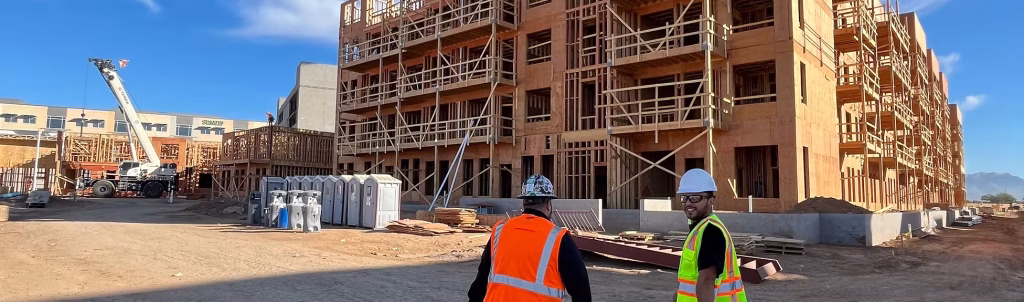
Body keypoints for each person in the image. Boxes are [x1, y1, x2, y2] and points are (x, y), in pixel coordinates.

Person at [468, 174, 592, 302]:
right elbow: (581, 292)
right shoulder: (559, 239)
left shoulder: (500, 230)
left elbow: (481, 282)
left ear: (524, 202)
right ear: (549, 204)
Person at [675, 169, 747, 302]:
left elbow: (707, 279)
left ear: (711, 201)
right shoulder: (699, 230)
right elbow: (689, 280)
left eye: (696, 198)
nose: (688, 203)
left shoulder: (711, 231)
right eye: (684, 198)